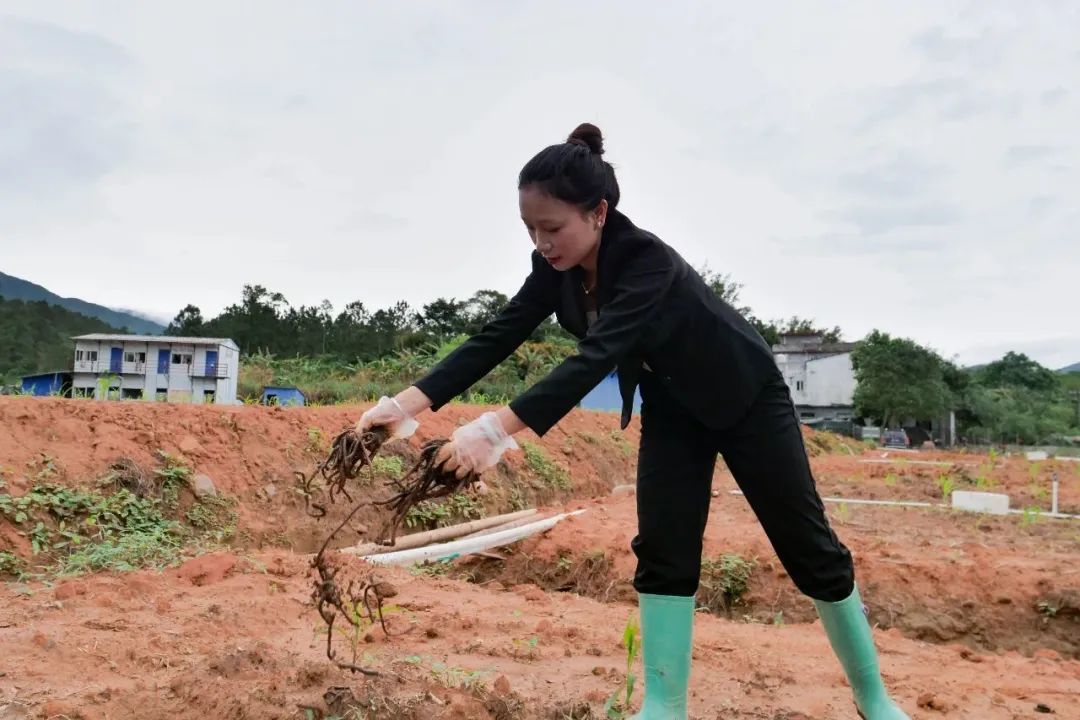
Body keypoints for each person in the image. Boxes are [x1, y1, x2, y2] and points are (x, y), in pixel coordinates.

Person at [356, 123, 909, 720]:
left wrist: (495, 430)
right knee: (665, 549)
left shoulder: (646, 260)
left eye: (553, 227)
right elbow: (499, 334)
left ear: (598, 212)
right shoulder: (556, 269)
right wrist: (405, 404)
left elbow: (595, 356)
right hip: (673, 410)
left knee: (809, 549)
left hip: (748, 401)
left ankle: (874, 700)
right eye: (530, 230)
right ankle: (664, 706)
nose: (542, 243)